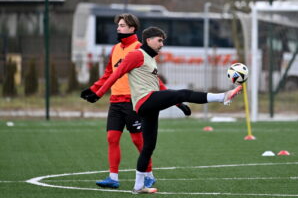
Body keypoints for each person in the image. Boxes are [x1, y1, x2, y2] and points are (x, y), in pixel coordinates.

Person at [83, 26, 243, 194]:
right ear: (148, 40)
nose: (162, 44)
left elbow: (159, 85)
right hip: (145, 101)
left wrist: (179, 105)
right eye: (159, 40)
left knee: (149, 146)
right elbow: (115, 74)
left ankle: (138, 186)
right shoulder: (136, 54)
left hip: (150, 104)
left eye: (163, 41)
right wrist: (98, 93)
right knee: (182, 93)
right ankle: (222, 97)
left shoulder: (150, 59)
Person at [80, 14, 190, 189]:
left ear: (132, 29)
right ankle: (113, 178)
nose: (118, 28)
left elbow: (156, 81)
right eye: (118, 25)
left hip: (134, 101)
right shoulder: (116, 48)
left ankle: (149, 175)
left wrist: (178, 102)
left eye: (122, 25)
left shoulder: (140, 49)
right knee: (112, 138)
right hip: (115, 102)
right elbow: (110, 73)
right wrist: (94, 89)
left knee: (138, 141)